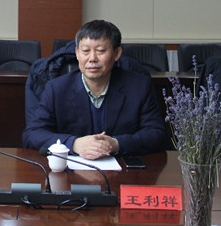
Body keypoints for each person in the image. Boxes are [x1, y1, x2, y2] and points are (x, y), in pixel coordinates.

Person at [22, 19, 167, 158]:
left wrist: (116, 144)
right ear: (77, 53)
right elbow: (32, 134)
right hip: (72, 169)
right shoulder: (57, 88)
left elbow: (157, 134)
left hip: (122, 168)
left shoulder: (138, 86)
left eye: (100, 51)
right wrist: (74, 144)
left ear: (116, 54)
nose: (92, 58)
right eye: (85, 51)